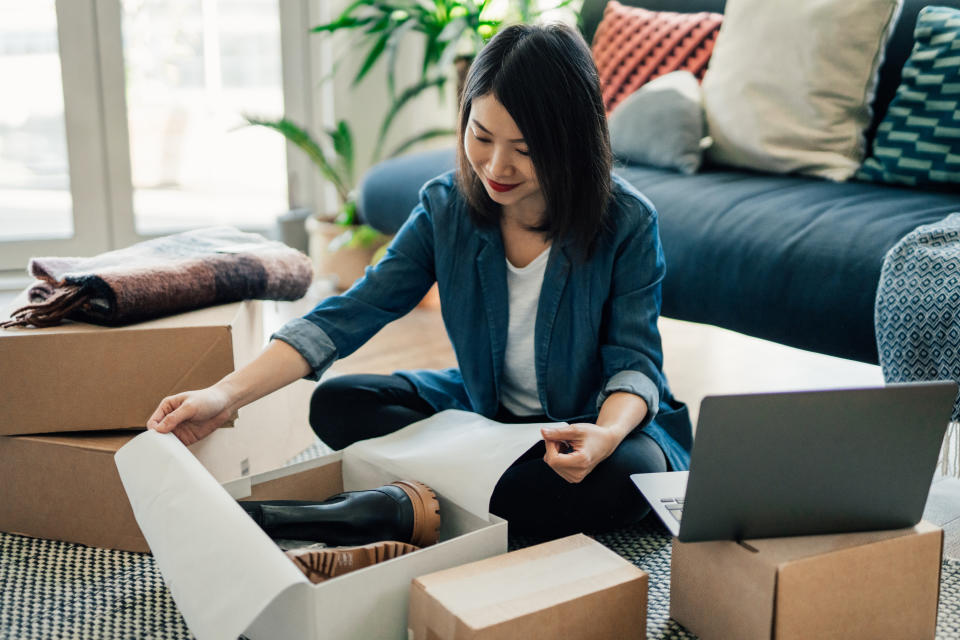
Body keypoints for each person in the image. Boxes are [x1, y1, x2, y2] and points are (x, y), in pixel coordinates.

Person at [147, 22, 692, 538]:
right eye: (481, 136)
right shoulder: (445, 208)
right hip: (485, 415)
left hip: (586, 423)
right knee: (337, 404)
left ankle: (394, 503)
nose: (496, 166)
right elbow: (351, 314)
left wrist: (607, 435)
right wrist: (224, 396)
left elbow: (634, 362)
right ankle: (453, 496)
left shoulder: (627, 221)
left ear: (569, 144)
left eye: (525, 150)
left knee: (628, 477)